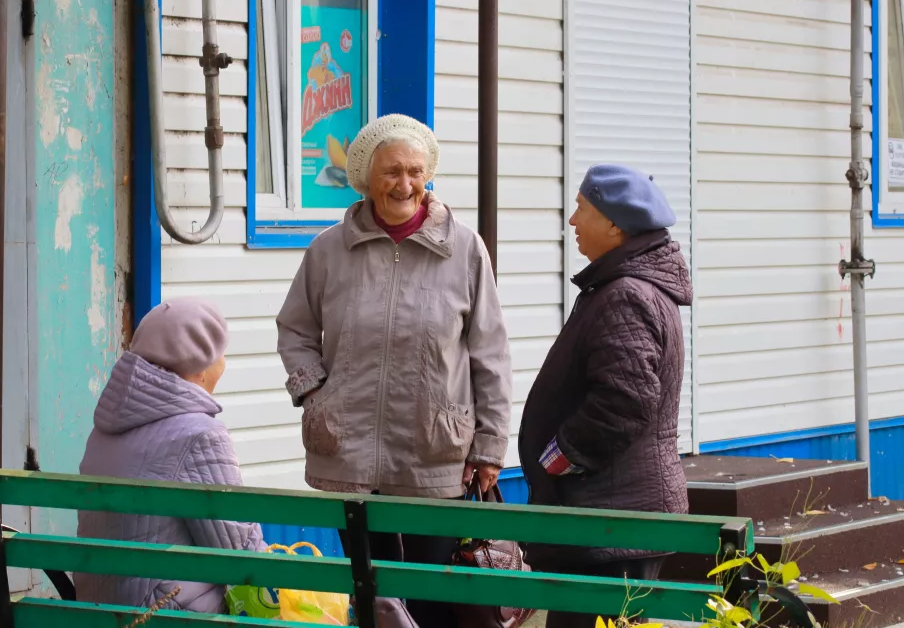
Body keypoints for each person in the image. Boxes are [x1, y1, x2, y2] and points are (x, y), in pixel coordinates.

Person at [276, 113, 513, 627]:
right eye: (391, 171)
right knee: (371, 594)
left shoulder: (464, 249)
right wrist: (316, 393)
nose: (405, 184)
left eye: (415, 171)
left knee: (433, 597)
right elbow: (295, 329)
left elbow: (490, 353)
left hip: (435, 451)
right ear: (366, 177)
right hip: (349, 450)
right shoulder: (328, 250)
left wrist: (490, 445)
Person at [518, 163, 692, 628]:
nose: (573, 220)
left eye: (582, 209)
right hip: (610, 518)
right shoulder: (625, 287)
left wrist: (559, 456)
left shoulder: (626, 295)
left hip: (613, 521)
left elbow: (624, 403)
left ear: (615, 225)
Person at [75, 298, 266, 613]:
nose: (224, 364)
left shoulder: (105, 428)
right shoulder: (201, 434)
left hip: (96, 609)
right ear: (199, 369)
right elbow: (240, 555)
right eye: (220, 355)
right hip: (159, 614)